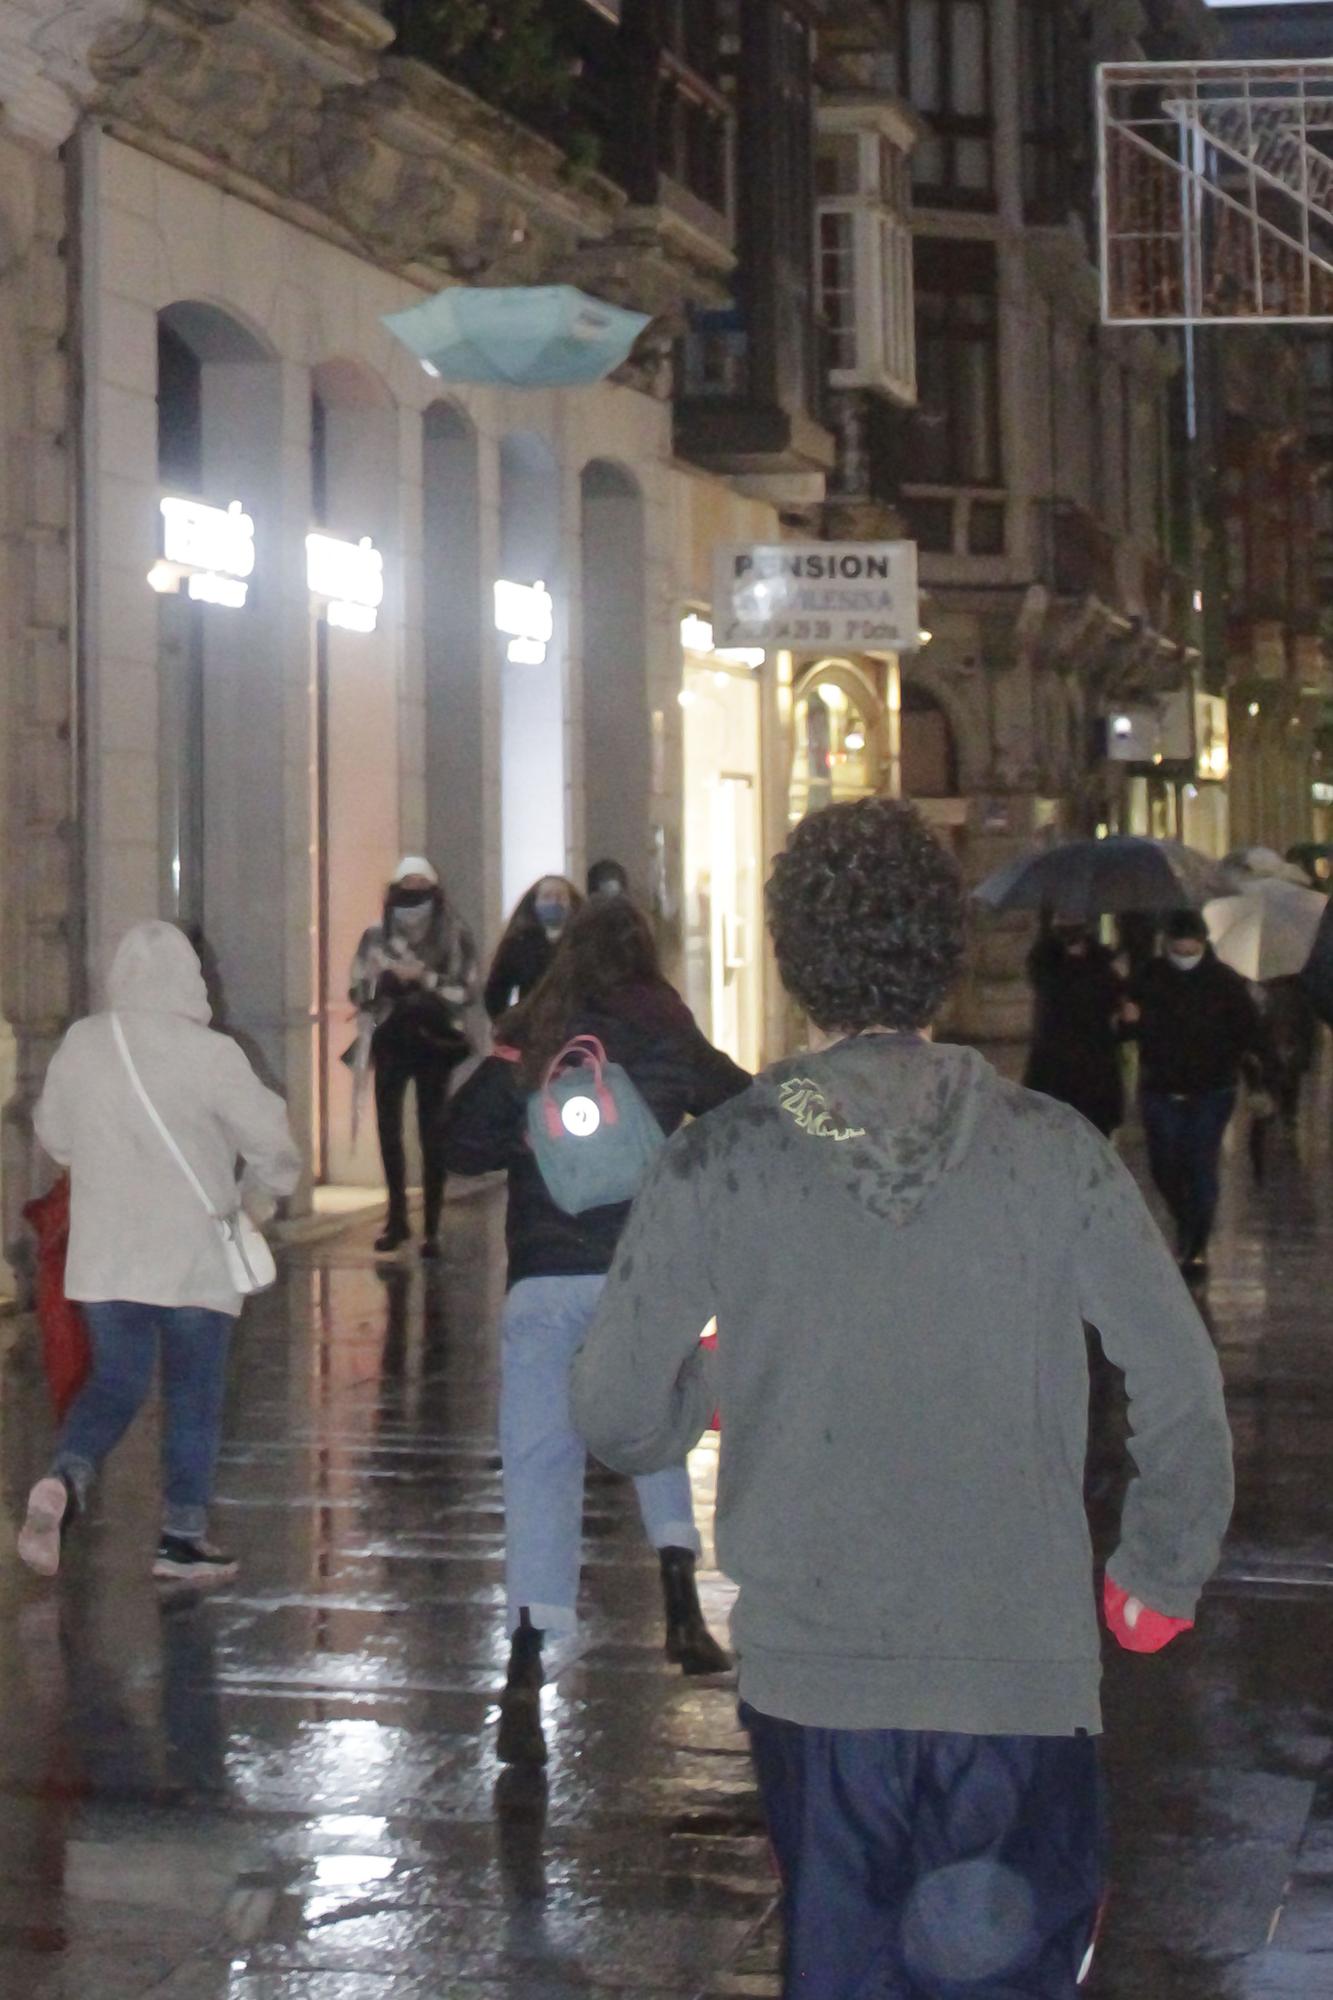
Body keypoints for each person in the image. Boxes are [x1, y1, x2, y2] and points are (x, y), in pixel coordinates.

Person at [571, 799, 1233, 2000]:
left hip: (817, 1686)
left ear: (794, 958)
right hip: (1020, 1679)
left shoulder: (728, 1150)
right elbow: (1178, 1380)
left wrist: (715, 1386)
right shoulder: (1053, 1149)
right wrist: (1157, 1569)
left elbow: (616, 1409)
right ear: (938, 951)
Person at [441, 894, 749, 1765]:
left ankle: (524, 1666)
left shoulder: (534, 1036)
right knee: (651, 1430)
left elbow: (459, 1144)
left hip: (543, 1283)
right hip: (644, 1281)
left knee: (540, 1466)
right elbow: (746, 1110)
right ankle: (681, 1598)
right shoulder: (668, 1032)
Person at [19, 921, 302, 1584]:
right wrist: (255, 1200)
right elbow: (273, 1145)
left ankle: (66, 1474)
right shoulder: (212, 1054)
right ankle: (181, 1538)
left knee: (114, 1381)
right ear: (191, 978)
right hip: (194, 1257)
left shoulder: (84, 1043)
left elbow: (55, 1133)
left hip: (107, 1255)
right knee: (192, 1391)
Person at [1125, 908, 1266, 1277]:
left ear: (1203, 944)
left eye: (1190, 950)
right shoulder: (1147, 977)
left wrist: (1259, 1081)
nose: (1184, 956)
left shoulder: (1225, 982)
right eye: (1178, 949)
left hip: (1212, 1089)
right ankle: (1187, 1219)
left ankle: (1196, 1244)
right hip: (1160, 1087)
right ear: (1167, 944)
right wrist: (1128, 1023)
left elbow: (1250, 1034)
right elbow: (1126, 1032)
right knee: (1164, 1165)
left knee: (1201, 1162)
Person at [350, 858, 477, 1258]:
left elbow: (466, 991)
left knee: (431, 1131)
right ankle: (398, 1218)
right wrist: (374, 981)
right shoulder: (375, 935)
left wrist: (424, 977)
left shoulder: (453, 935)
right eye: (408, 883)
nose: (415, 890)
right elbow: (357, 990)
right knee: (389, 1130)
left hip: (433, 1041)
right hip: (389, 1039)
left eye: (422, 883)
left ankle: (433, 1225)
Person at [1023, 913, 1127, 1137]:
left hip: (1094, 1065)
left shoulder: (1102, 962)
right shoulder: (1045, 961)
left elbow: (1112, 1001)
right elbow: (1058, 992)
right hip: (1056, 1066)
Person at [483, 876, 582, 1021]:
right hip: (531, 1027)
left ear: (571, 903)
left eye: (560, 897)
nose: (554, 902)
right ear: (534, 903)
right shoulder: (518, 943)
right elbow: (496, 990)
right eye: (547, 897)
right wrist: (507, 1023)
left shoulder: (583, 942)